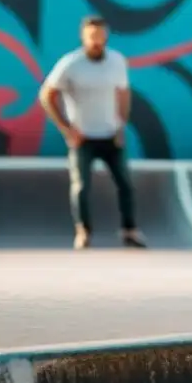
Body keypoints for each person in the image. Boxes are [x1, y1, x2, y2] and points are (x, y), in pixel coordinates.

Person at [39, 15, 147, 250]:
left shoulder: (117, 61)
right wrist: (66, 130)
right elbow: (46, 95)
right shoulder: (70, 64)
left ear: (105, 36)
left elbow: (124, 93)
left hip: (110, 135)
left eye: (100, 36)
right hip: (83, 138)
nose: (96, 41)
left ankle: (130, 230)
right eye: (91, 37)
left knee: (126, 184)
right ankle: (83, 231)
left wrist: (121, 124)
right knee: (81, 186)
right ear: (83, 38)